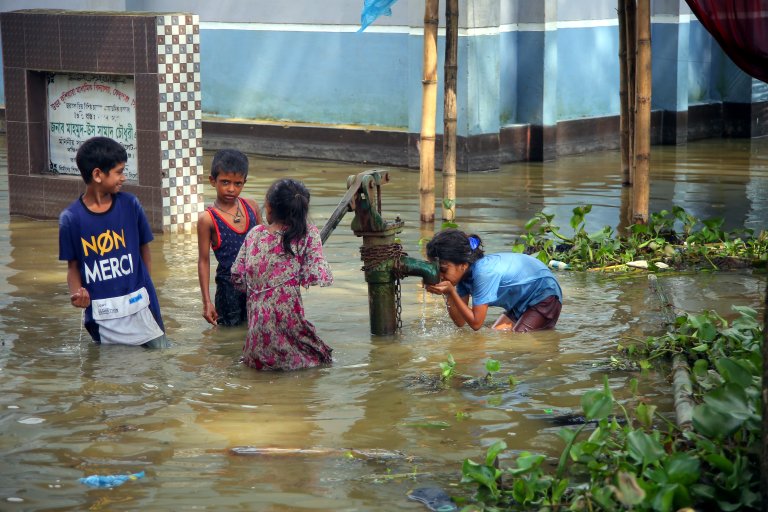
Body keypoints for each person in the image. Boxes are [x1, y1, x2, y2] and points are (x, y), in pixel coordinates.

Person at [58, 136, 168, 348]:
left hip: (142, 307)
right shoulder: (70, 219)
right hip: (102, 315)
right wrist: (76, 295)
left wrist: (145, 287)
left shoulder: (130, 205)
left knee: (158, 358)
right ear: (98, 174)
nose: (123, 178)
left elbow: (144, 249)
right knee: (109, 374)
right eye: (119, 172)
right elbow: (73, 268)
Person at [231, 178, 333, 370]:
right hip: (291, 342)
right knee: (323, 359)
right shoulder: (308, 234)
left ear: (268, 207)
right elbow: (319, 276)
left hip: (256, 348)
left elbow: (237, 276)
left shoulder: (254, 234)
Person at [425, 229, 562, 332]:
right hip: (522, 299)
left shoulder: (483, 273)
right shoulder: (463, 276)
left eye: (443, 270)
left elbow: (476, 324)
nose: (440, 275)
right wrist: (448, 293)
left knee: (518, 341)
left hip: (544, 293)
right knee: (497, 334)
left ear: (463, 265)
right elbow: (460, 321)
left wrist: (450, 291)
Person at [197, 149, 262, 326]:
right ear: (212, 181)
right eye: (225, 182)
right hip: (228, 289)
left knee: (256, 330)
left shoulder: (252, 207)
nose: (231, 189)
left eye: (237, 184)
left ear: (244, 183)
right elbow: (203, 261)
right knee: (229, 337)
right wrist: (207, 302)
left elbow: (264, 246)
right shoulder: (208, 218)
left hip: (255, 286)